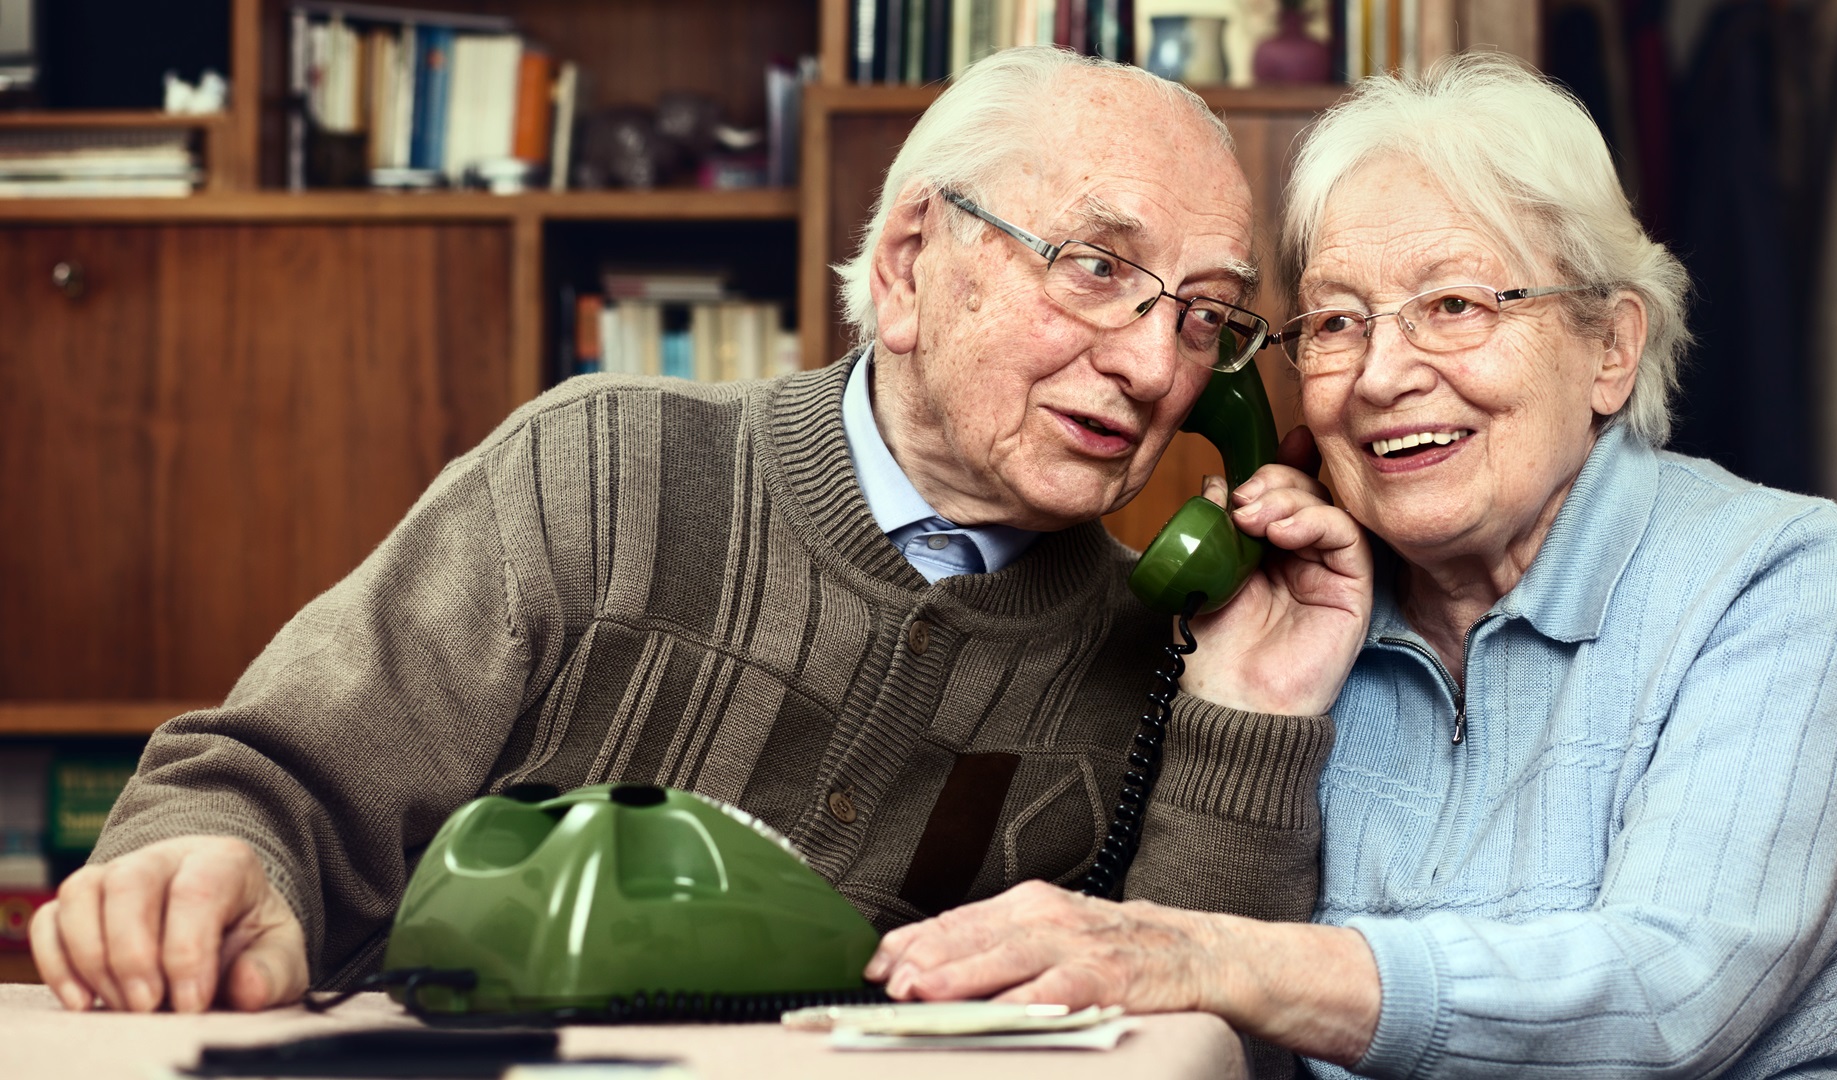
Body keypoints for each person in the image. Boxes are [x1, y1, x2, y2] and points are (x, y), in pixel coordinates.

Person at [29, 46, 1371, 1040]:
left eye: (1205, 318)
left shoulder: (1159, 649)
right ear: (910, 263)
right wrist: (217, 869)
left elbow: (1204, 1042)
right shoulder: (598, 472)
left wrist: (1250, 711)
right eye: (1097, 268)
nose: (1152, 364)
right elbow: (266, 784)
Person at [864, 54, 1837, 1077]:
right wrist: (1255, 707)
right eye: (1335, 322)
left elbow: (1672, 993)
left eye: (1454, 306)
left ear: (1610, 348)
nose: (1379, 377)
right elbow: (1214, 1053)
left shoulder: (1786, 578)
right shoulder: (1301, 618)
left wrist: (1205, 957)